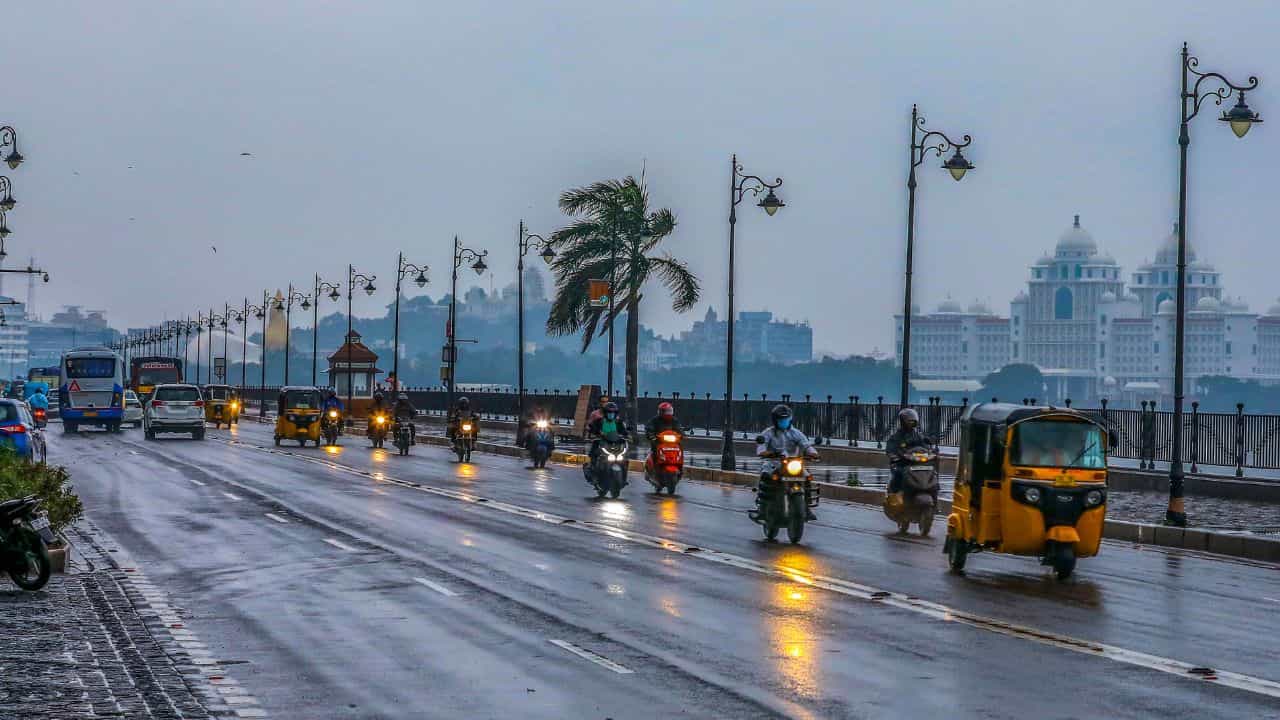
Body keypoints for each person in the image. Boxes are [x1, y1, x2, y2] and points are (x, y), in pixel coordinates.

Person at [755, 404, 820, 520]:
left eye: (786, 419)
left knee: (807, 477)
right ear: (775, 420)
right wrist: (766, 453)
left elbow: (806, 445)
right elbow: (761, 447)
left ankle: (806, 508)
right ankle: (762, 507)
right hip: (774, 463)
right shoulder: (768, 433)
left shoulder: (796, 433)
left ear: (790, 419)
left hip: (793, 464)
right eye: (781, 419)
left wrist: (813, 453)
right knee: (765, 475)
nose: (784, 421)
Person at [885, 408, 932, 494]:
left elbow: (924, 447)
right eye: (910, 421)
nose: (912, 423)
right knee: (898, 473)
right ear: (903, 421)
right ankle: (893, 493)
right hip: (902, 464)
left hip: (916, 463)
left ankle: (932, 491)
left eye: (913, 421)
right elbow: (890, 450)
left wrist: (930, 451)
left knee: (931, 471)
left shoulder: (918, 436)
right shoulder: (896, 437)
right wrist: (895, 456)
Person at [586, 401, 629, 471]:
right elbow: (593, 428)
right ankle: (592, 465)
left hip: (616, 443)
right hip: (602, 441)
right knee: (595, 447)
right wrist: (595, 432)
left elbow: (624, 431)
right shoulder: (599, 421)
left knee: (624, 457)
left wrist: (626, 435)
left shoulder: (619, 422)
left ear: (616, 413)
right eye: (609, 412)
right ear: (605, 413)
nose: (611, 414)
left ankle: (624, 473)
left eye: (613, 412)